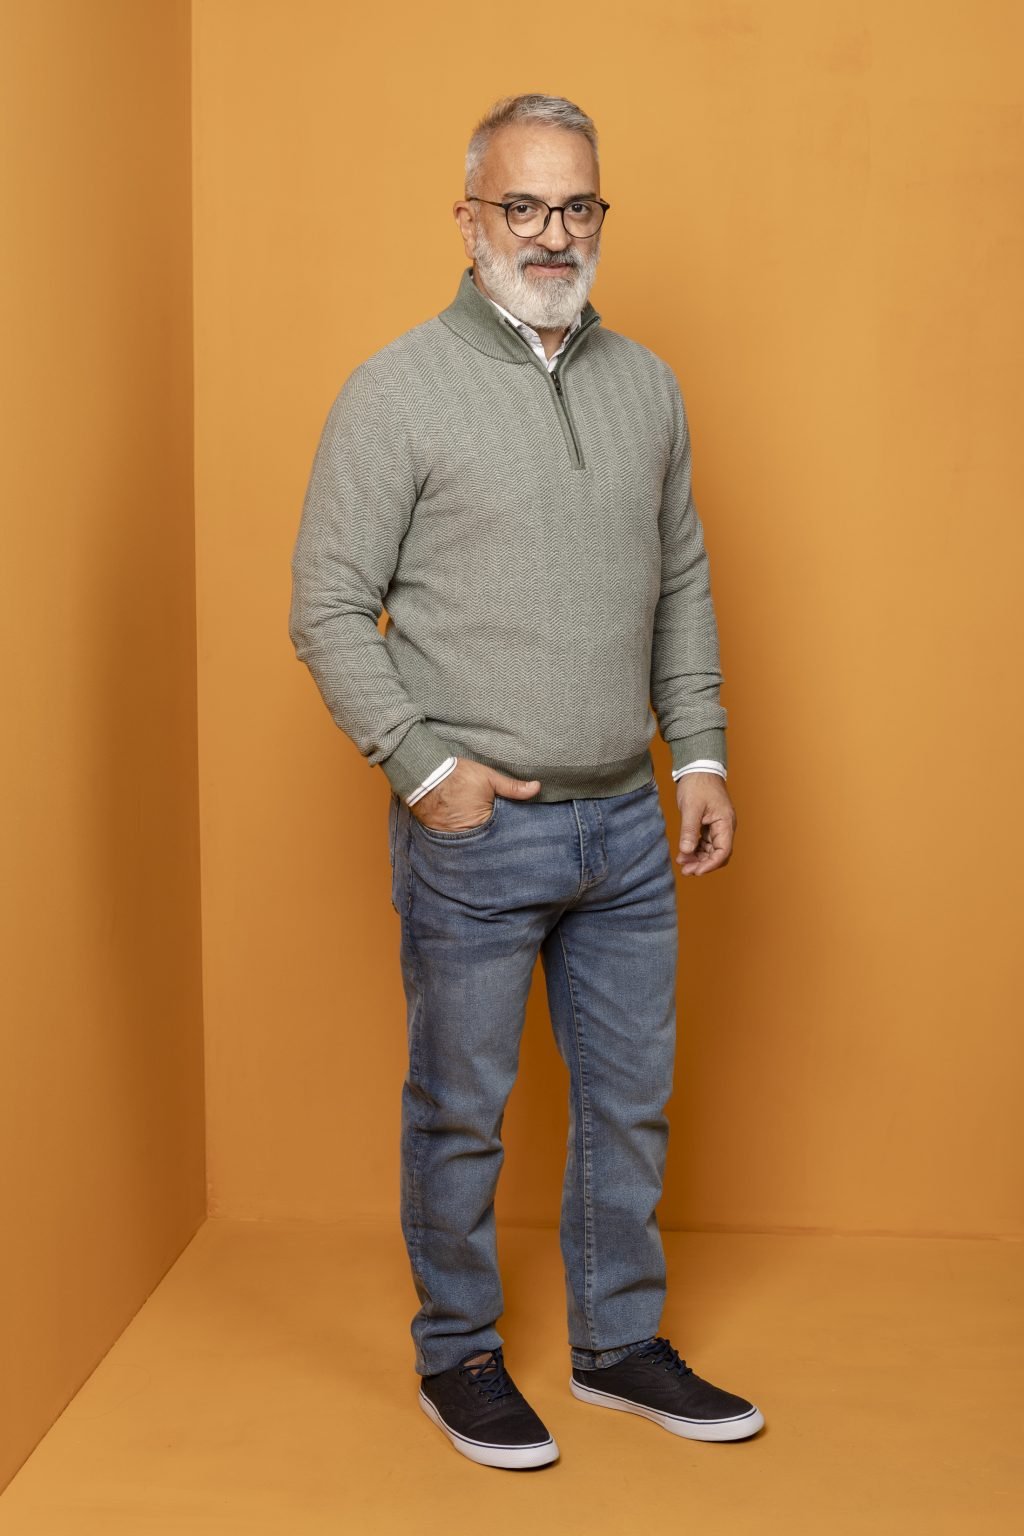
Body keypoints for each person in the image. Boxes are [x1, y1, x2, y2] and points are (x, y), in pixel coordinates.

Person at [288, 92, 764, 1469]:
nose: (553, 234)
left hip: (627, 821)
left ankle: (619, 1343)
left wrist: (700, 750)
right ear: (469, 220)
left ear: (600, 214)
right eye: (523, 206)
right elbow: (327, 605)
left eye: (577, 206)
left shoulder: (647, 385)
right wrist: (423, 768)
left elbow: (681, 579)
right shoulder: (396, 390)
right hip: (478, 832)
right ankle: (458, 1355)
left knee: (628, 1103)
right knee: (460, 1112)